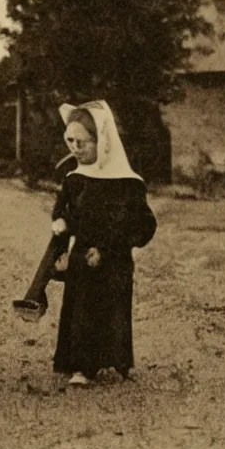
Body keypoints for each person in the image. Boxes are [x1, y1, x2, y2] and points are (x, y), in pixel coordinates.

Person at [51, 100, 157, 386]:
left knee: (112, 310)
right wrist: (60, 225)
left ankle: (117, 362)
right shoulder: (75, 179)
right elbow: (63, 211)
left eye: (82, 142)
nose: (74, 147)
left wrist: (111, 249)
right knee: (82, 309)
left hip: (115, 261)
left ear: (103, 142)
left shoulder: (126, 183)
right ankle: (81, 368)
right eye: (70, 140)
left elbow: (145, 225)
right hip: (82, 258)